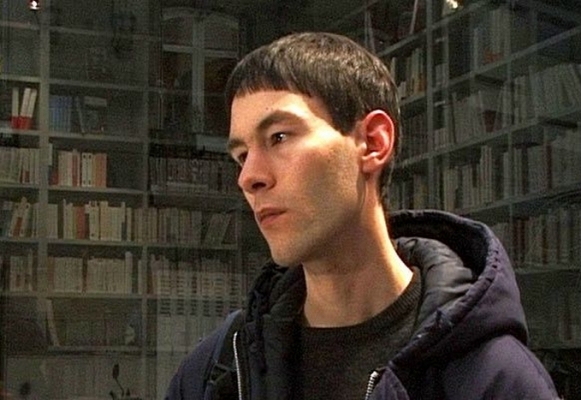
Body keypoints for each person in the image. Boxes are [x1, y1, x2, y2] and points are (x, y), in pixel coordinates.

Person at [166, 31, 559, 399]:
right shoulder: (220, 368)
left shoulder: (494, 378)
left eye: (279, 137)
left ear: (373, 143)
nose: (248, 177)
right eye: (241, 155)